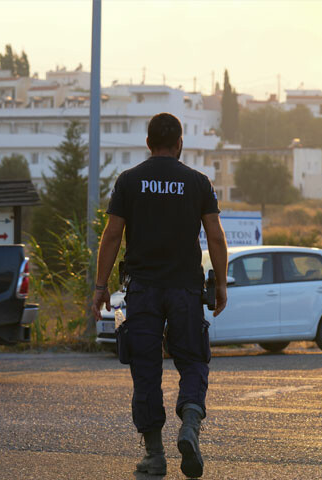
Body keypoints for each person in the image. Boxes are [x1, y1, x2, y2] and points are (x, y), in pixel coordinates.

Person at [91, 112, 228, 478]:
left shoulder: (129, 181)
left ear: (148, 144)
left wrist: (100, 287)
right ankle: (190, 424)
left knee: (146, 369)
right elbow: (215, 235)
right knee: (194, 360)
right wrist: (221, 285)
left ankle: (154, 455)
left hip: (143, 291)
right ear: (180, 143)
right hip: (184, 289)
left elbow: (112, 235)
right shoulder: (198, 182)